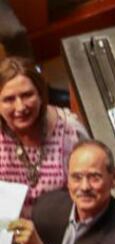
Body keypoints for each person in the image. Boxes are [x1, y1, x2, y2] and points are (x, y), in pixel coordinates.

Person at [0, 57, 87, 218]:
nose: (20, 107)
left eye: (27, 95)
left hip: (59, 228)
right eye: (9, 99)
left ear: (40, 95)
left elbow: (90, 191)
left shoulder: (70, 132)